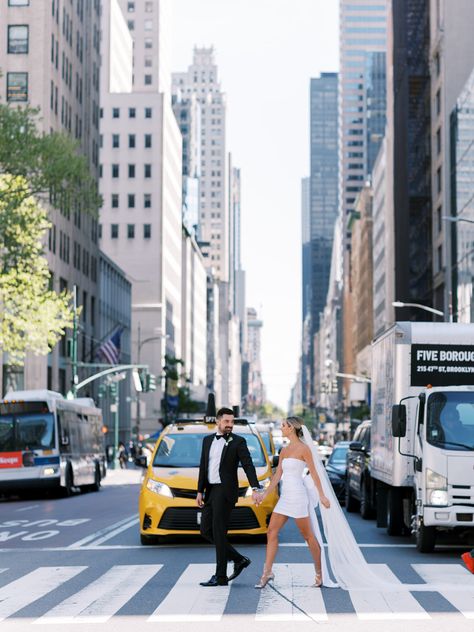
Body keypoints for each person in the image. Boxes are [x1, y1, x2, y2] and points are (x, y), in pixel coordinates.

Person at [254, 416, 330, 588]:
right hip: (285, 497)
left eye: (283, 426)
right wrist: (264, 494)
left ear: (292, 428)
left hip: (298, 496)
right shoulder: (284, 450)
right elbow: (277, 476)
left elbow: (315, 473)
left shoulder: (304, 449)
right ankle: (267, 573)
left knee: (308, 536)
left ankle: (319, 573)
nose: (281, 428)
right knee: (271, 532)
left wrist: (322, 495)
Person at [196, 407, 262, 587]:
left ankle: (221, 576)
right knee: (206, 531)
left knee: (218, 531)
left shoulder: (238, 441)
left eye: (232, 422)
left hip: (225, 492)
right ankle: (238, 559)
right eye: (226, 422)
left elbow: (248, 465)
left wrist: (255, 487)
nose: (229, 425)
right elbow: (204, 466)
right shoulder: (207, 440)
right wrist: (200, 491)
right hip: (210, 491)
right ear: (218, 421)